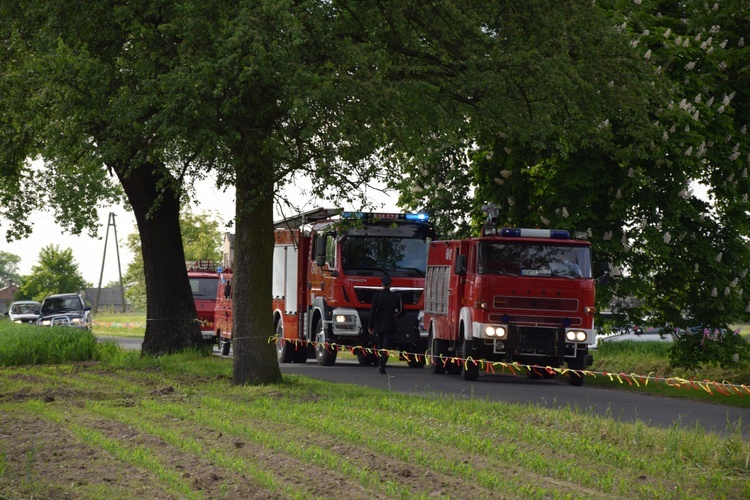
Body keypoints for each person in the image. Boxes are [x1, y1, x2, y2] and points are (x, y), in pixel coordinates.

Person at [368, 275, 402, 374]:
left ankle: (380, 363)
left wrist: (371, 325)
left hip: (379, 325)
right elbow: (401, 310)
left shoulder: (376, 296)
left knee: (380, 345)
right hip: (390, 325)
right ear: (390, 285)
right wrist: (397, 317)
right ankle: (381, 365)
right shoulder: (395, 296)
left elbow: (372, 312)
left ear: (382, 284)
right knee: (386, 347)